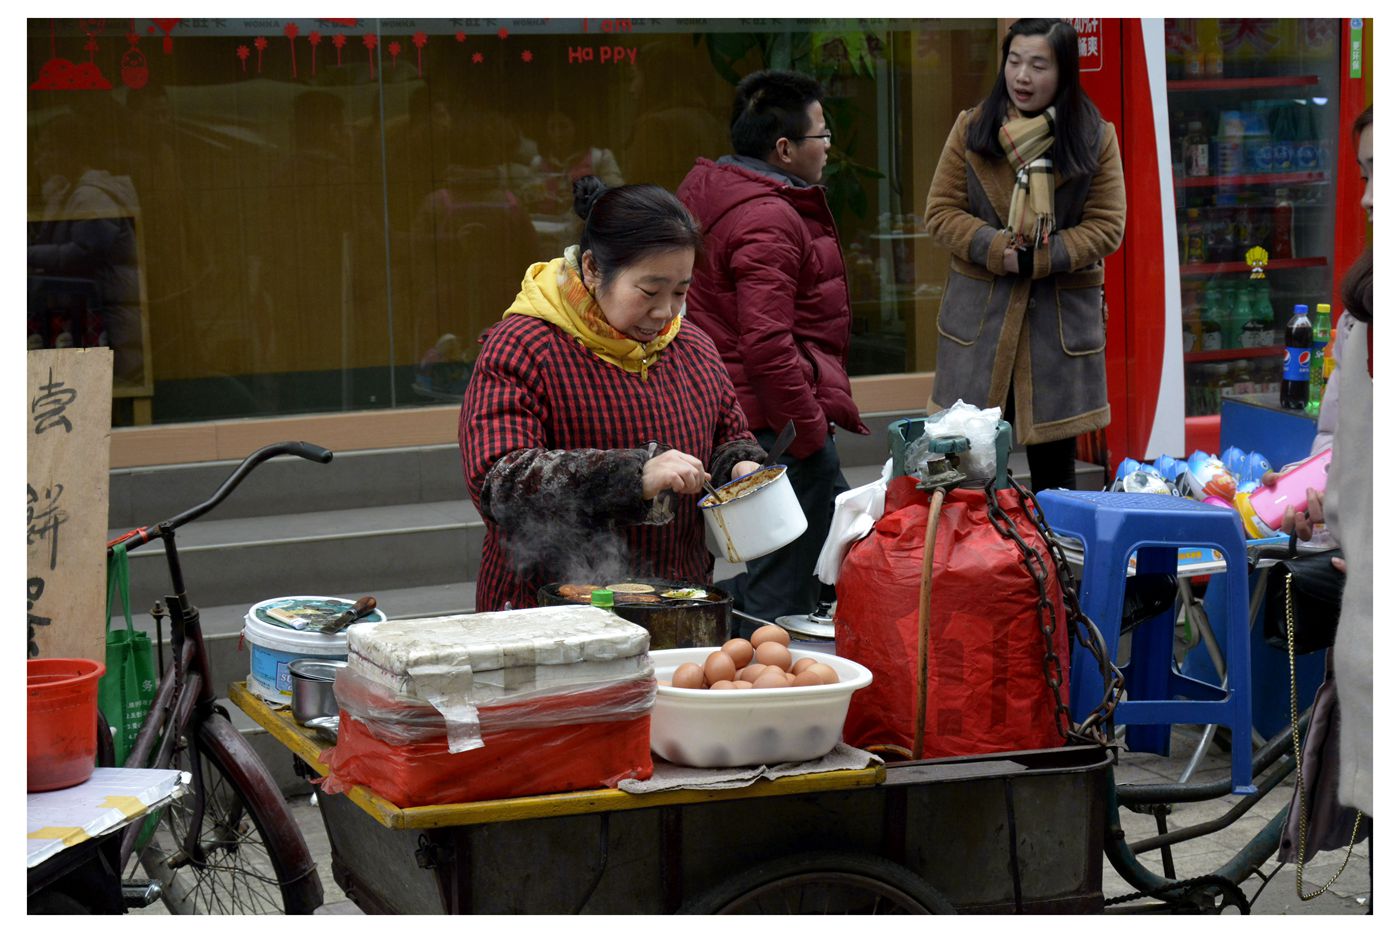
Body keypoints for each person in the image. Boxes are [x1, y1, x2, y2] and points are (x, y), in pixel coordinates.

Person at [460, 177, 765, 612]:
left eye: (680, 292)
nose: (665, 312)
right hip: (550, 612)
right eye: (649, 291)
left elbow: (727, 436)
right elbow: (498, 482)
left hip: (676, 605)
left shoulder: (693, 346)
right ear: (592, 268)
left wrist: (739, 466)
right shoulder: (525, 346)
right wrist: (633, 476)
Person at [676, 69, 869, 628]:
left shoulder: (712, 188)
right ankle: (763, 673)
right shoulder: (769, 215)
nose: (828, 146)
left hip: (746, 412)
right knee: (782, 591)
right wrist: (808, 435)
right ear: (784, 149)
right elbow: (766, 343)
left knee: (827, 552)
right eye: (821, 135)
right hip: (773, 424)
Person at [923, 18, 1125, 492]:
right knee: (970, 472)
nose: (1022, 76)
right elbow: (941, 212)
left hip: (1056, 329)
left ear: (1064, 71)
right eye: (1014, 61)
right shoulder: (974, 127)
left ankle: (1051, 543)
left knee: (1056, 478)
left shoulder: (1094, 137)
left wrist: (1041, 258)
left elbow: (1107, 226)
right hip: (981, 323)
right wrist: (996, 248)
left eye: (1038, 65)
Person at [1275, 106, 1372, 894]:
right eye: (1365, 173)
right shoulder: (1360, 313)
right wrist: (1315, 501)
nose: (1369, 196)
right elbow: (1341, 439)